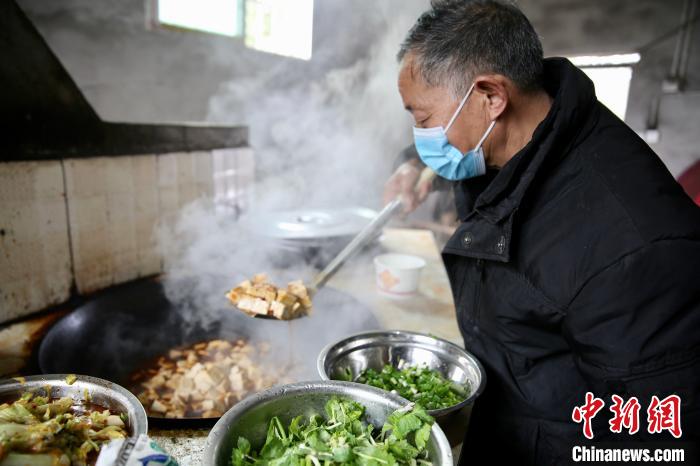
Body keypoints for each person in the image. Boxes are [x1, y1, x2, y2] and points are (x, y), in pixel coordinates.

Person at [384, 1, 700, 464]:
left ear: (491, 96)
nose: (420, 134)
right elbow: (470, 150)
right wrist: (414, 163)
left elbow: (657, 443)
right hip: (505, 413)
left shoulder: (635, 246)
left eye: (423, 120)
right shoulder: (519, 131)